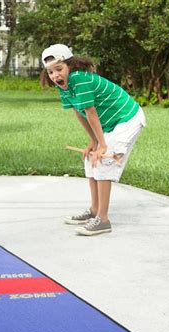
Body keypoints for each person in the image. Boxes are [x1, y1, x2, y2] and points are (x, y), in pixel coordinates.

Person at [41, 44, 146, 236]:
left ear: (70, 66)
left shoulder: (78, 79)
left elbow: (91, 112)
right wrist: (93, 142)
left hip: (127, 119)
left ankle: (103, 220)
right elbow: (79, 112)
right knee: (91, 159)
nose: (55, 76)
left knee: (105, 159)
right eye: (50, 72)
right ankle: (94, 211)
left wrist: (103, 145)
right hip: (110, 124)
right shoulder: (64, 86)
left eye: (59, 69)